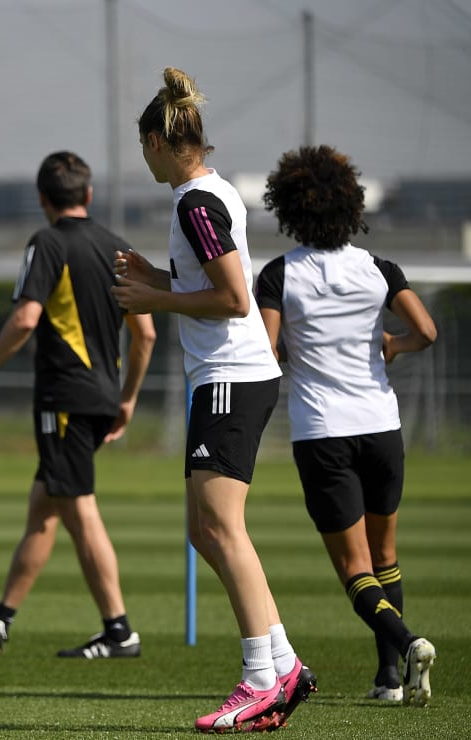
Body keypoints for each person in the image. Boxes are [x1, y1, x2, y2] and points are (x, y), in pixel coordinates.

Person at [111, 67, 315, 733]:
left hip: (231, 375)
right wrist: (158, 277)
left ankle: (265, 676)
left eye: (143, 147)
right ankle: (283, 662)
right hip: (223, 377)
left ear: (156, 142)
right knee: (205, 530)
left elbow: (232, 298)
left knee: (221, 527)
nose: (143, 158)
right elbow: (213, 278)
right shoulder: (209, 193)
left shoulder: (194, 203)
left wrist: (155, 298)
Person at [256, 144, 437, 707]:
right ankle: (389, 681)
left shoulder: (280, 274)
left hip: (322, 432)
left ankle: (407, 645)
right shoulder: (380, 270)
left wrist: (289, 352)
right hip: (382, 427)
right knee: (386, 557)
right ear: (350, 205)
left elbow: (266, 351)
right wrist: (393, 345)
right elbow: (427, 331)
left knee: (354, 569)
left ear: (289, 209)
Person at [0, 151, 156, 661]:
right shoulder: (118, 247)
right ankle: (0, 621)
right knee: (43, 510)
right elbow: (147, 333)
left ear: (43, 200)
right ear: (88, 196)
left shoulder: (46, 242)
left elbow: (26, 319)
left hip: (64, 398)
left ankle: (119, 630)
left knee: (77, 508)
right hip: (100, 397)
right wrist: (128, 397)